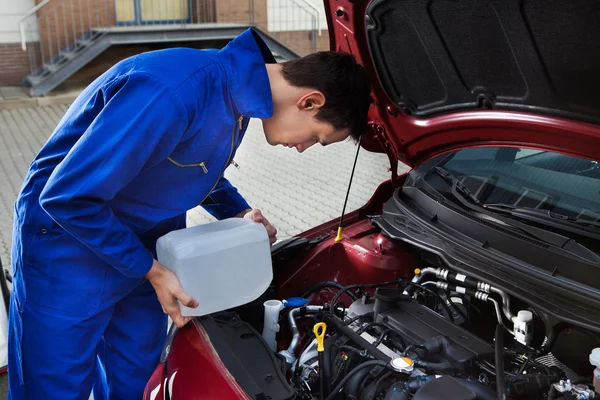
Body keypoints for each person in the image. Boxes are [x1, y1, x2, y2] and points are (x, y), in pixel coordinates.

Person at [8, 27, 371, 399]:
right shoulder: (172, 92)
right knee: (54, 386)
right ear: (309, 102)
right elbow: (69, 197)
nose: (303, 148)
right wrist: (151, 270)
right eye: (317, 137)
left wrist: (239, 211)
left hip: (147, 247)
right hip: (69, 246)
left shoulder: (239, 99)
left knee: (135, 377)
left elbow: (186, 163)